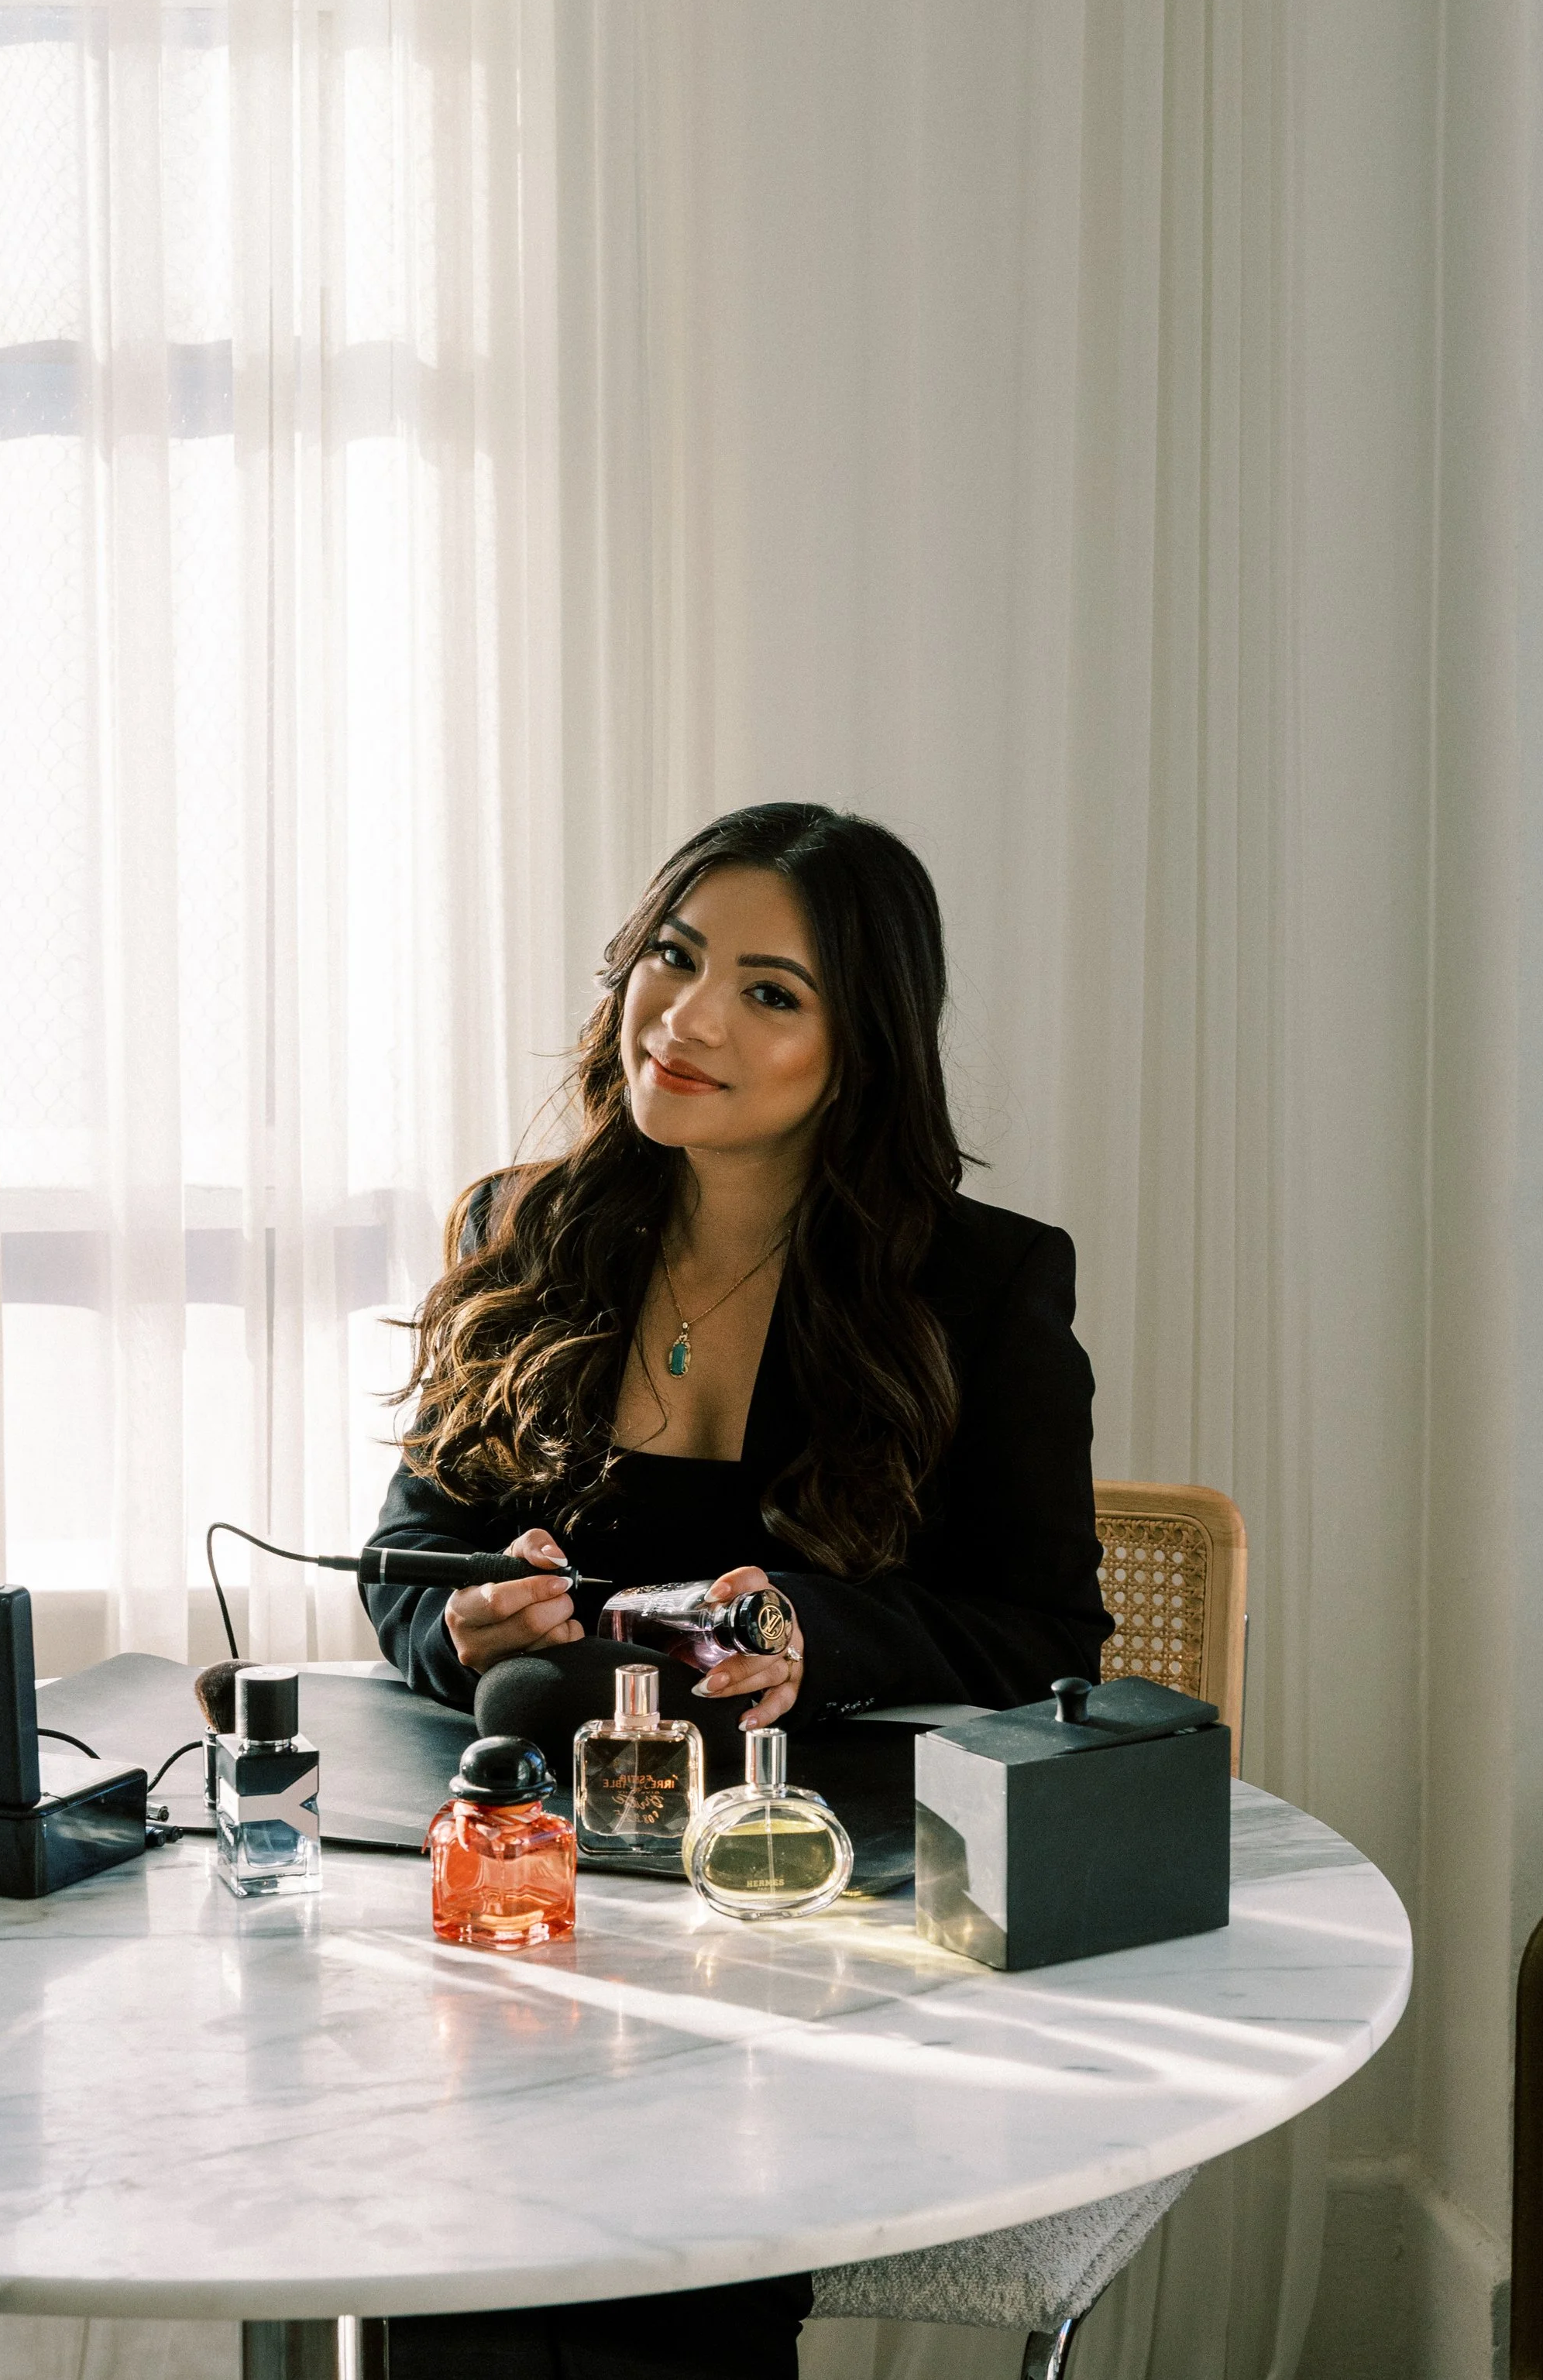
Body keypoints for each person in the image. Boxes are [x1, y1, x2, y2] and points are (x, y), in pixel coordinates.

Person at [360, 802, 1111, 2380]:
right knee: (435, 2217)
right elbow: (405, 1558)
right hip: (516, 1896)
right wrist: (458, 1621)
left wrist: (812, 1639)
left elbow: (1045, 1635)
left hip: (790, 1911)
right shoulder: (522, 1229)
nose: (687, 1017)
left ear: (864, 1045)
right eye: (673, 956)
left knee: (648, 2255)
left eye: (769, 992)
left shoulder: (977, 1285)